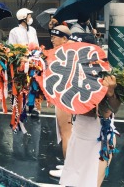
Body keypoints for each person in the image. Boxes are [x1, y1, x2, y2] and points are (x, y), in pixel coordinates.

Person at [59, 76, 120, 187]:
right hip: (78, 136)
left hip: (99, 139)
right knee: (72, 183)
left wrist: (110, 92)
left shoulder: (110, 74)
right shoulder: (74, 70)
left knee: (92, 183)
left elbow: (111, 110)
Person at [47, 25, 73, 179]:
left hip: (66, 96)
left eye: (55, 37)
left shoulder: (65, 52)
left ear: (64, 38)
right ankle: (70, 164)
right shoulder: (72, 50)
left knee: (66, 133)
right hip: (68, 95)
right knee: (69, 133)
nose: (52, 40)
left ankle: (68, 169)